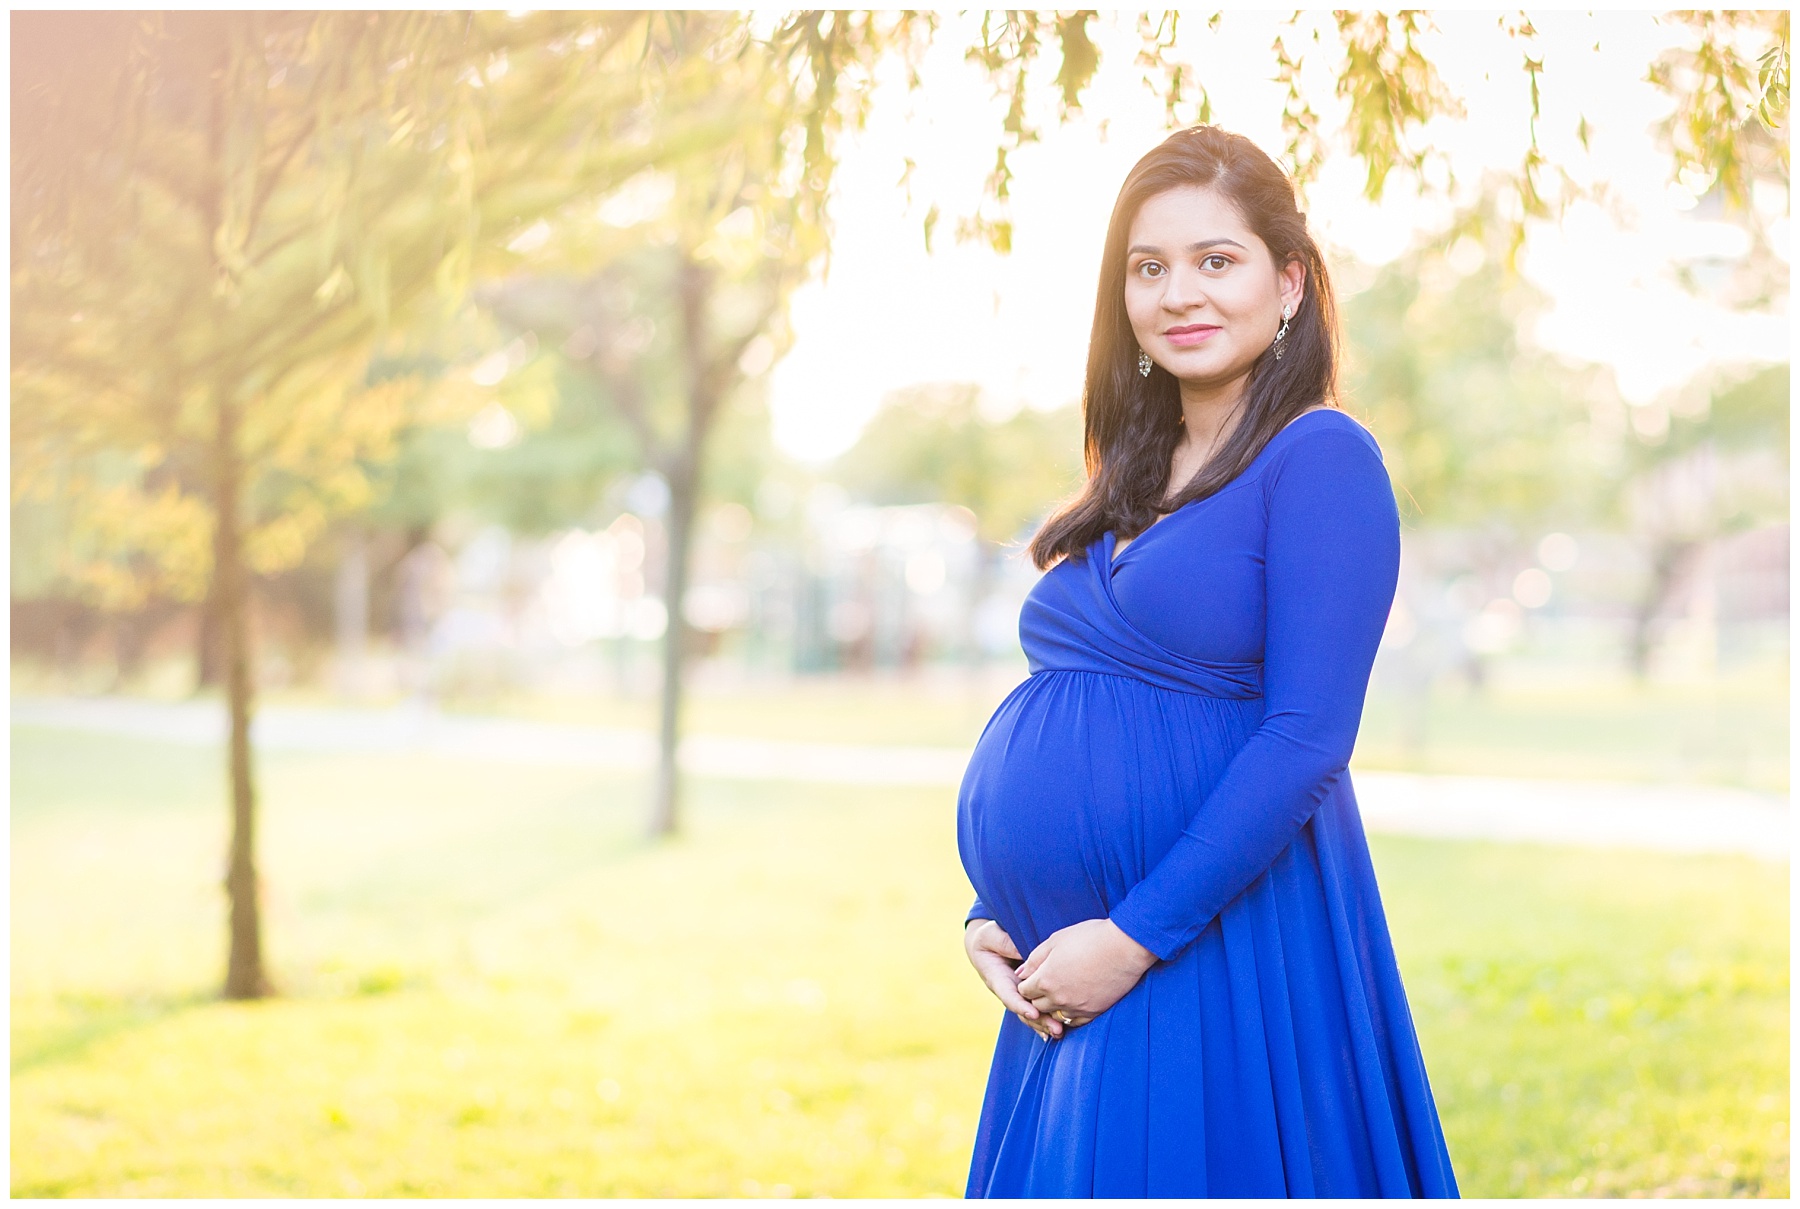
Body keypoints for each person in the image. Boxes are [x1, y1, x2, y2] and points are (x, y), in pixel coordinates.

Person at [956, 125, 1460, 1198]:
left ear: (1288, 284)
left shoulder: (1321, 460)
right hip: (1071, 959)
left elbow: (1307, 735)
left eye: (1214, 260)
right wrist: (997, 911)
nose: (1178, 292)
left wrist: (1134, 938)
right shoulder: (1128, 479)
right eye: (1150, 268)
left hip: (1212, 944)